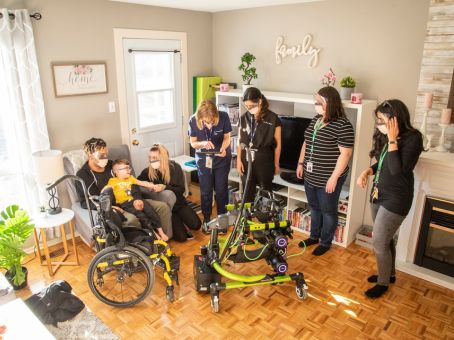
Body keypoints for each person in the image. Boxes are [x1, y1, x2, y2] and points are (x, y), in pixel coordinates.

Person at [357, 99, 423, 298]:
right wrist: (368, 170)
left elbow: (396, 169)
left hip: (397, 199)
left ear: (395, 119)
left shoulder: (413, 139)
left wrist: (393, 139)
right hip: (379, 193)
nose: (379, 125)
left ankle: (383, 282)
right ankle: (389, 274)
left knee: (379, 241)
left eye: (382, 120)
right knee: (386, 239)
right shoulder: (388, 138)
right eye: (377, 120)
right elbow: (383, 162)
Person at [296, 86, 354, 256]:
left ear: (330, 103)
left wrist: (334, 178)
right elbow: (306, 142)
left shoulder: (343, 125)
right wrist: (300, 163)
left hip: (329, 178)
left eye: (319, 102)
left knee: (328, 211)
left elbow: (346, 154)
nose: (316, 105)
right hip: (311, 174)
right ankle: (314, 236)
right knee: (314, 207)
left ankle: (325, 242)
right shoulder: (316, 119)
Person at [75, 138, 172, 236]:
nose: (105, 158)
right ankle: (143, 245)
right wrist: (110, 207)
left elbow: (131, 181)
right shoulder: (83, 175)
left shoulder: (112, 165)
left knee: (162, 207)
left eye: (106, 154)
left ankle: (161, 240)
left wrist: (137, 199)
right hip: (113, 207)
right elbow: (85, 202)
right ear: (90, 155)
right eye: (101, 155)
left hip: (131, 199)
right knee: (132, 220)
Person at [138, 144, 202, 242]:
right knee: (181, 238)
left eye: (154, 157)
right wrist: (148, 185)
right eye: (150, 157)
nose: (151, 160)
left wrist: (165, 187)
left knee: (196, 225)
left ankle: (183, 221)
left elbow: (181, 190)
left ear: (163, 158)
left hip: (179, 204)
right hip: (168, 209)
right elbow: (138, 182)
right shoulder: (147, 171)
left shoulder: (175, 168)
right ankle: (180, 223)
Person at [188, 100, 232, 232]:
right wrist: (202, 143)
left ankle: (222, 220)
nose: (209, 124)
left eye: (212, 121)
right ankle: (206, 219)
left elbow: (227, 138)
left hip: (221, 158)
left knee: (221, 190)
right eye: (206, 122)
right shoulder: (192, 120)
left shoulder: (223, 116)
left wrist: (223, 148)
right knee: (206, 191)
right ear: (200, 117)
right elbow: (193, 143)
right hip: (204, 159)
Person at [237, 87, 282, 203]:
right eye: (246, 106)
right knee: (247, 193)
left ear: (260, 101)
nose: (249, 109)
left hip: (264, 160)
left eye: (251, 106)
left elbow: (278, 144)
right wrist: (238, 161)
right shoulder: (243, 118)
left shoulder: (273, 118)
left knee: (265, 193)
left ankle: (264, 219)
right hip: (246, 159)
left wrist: (276, 164)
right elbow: (239, 141)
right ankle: (246, 219)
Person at [107, 159, 169, 241]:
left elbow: (141, 182)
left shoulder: (131, 178)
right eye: (126, 168)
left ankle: (161, 232)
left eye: (129, 168)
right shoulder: (112, 181)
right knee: (142, 216)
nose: (129, 170)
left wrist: (153, 186)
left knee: (150, 211)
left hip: (134, 200)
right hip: (125, 204)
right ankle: (154, 234)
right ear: (117, 172)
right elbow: (106, 191)